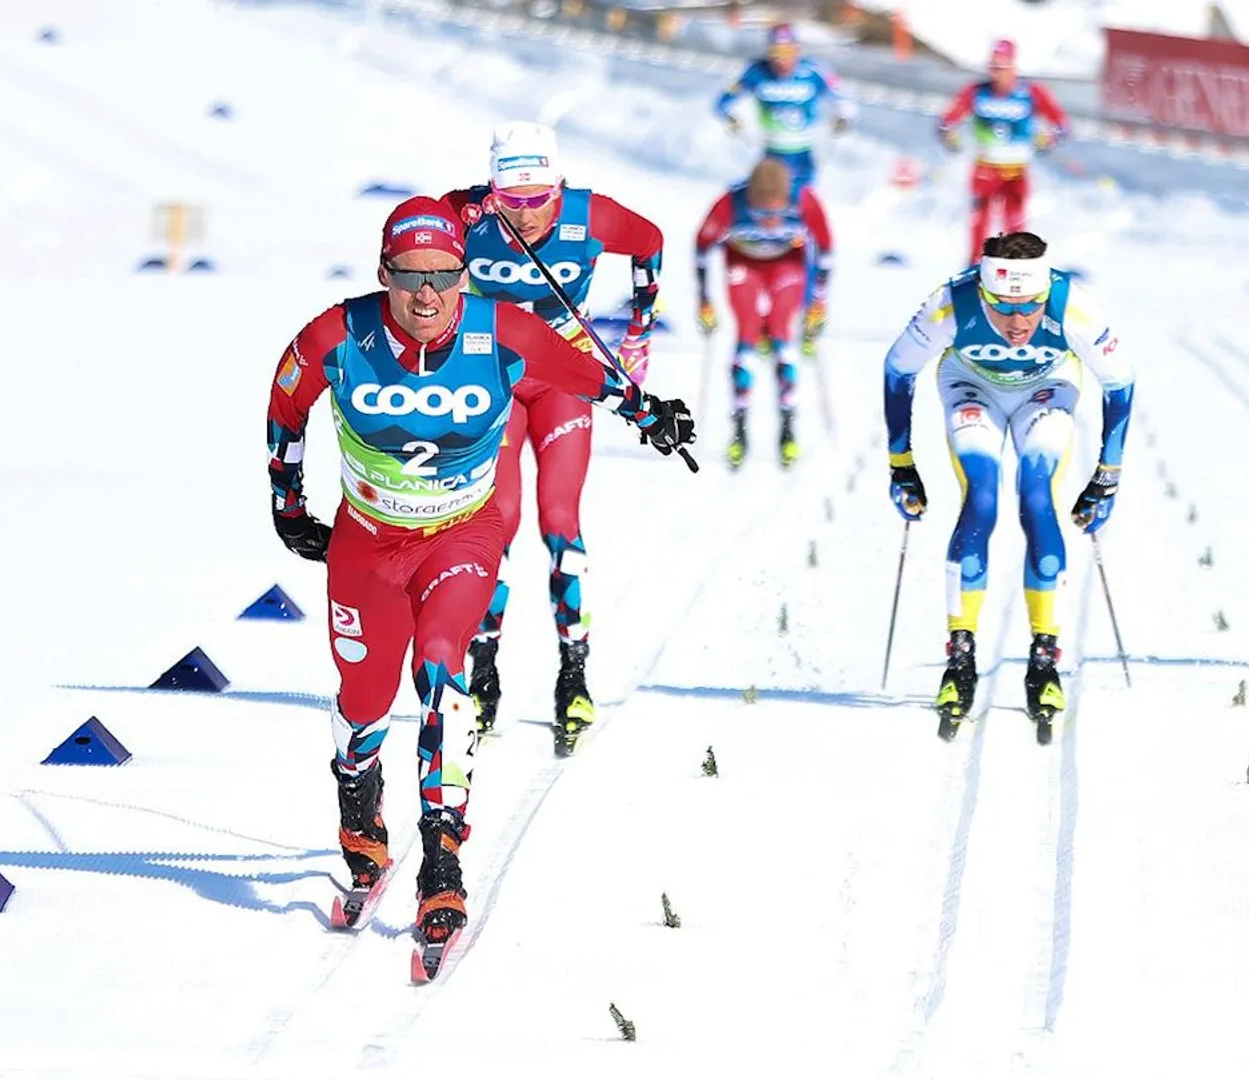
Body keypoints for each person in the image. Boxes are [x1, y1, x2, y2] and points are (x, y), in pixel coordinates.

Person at [264, 197, 694, 967]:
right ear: (382, 274)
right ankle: (359, 809)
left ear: (463, 276)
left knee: (441, 670)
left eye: (443, 277)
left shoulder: (503, 332)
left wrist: (650, 412)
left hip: (463, 535)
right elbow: (286, 402)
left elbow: (588, 375)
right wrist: (286, 504)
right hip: (366, 546)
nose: (427, 297)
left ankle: (443, 859)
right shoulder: (338, 333)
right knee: (363, 701)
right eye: (409, 278)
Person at [436, 121, 665, 756]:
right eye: (512, 201)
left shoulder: (588, 214)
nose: (529, 214)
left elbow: (650, 241)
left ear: (559, 186)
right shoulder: (467, 214)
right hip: (495, 382)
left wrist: (639, 331)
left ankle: (575, 673)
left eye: (540, 199)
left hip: (566, 378)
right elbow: (413, 242)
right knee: (495, 524)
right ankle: (484, 674)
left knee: (561, 521)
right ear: (492, 191)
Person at [880, 231, 1134, 737]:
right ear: (984, 291)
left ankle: (1044, 659)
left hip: (1047, 388)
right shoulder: (951, 302)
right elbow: (897, 369)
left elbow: (1120, 383)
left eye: (1030, 308)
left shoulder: (1074, 306)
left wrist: (1107, 475)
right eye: (1002, 309)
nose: (1018, 323)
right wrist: (901, 462)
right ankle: (960, 657)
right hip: (971, 386)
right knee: (983, 497)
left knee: (1037, 496)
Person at [694, 157, 833, 469]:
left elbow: (825, 249)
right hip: (743, 263)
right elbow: (702, 247)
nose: (770, 221)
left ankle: (787, 429)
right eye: (760, 213)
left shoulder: (804, 198)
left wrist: (818, 303)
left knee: (782, 333)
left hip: (786, 264)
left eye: (776, 213)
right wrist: (704, 300)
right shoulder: (731, 202)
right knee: (747, 334)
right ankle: (739, 430)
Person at [936, 39, 1070, 264]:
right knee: (980, 218)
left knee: (1015, 220)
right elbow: (947, 121)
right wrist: (949, 135)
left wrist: (1049, 139)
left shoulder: (1030, 92)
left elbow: (1061, 123)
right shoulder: (977, 91)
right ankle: (976, 264)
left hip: (1016, 168)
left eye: (1002, 67)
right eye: (993, 67)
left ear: (1013, 66)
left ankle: (1017, 264)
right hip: (986, 165)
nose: (996, 73)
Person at [716, 22, 854, 187]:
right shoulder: (756, 71)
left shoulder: (813, 71)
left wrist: (844, 116)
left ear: (797, 50)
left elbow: (842, 98)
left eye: (787, 51)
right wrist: (731, 119)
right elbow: (724, 102)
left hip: (805, 150)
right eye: (776, 52)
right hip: (772, 149)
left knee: (803, 197)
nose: (782, 59)